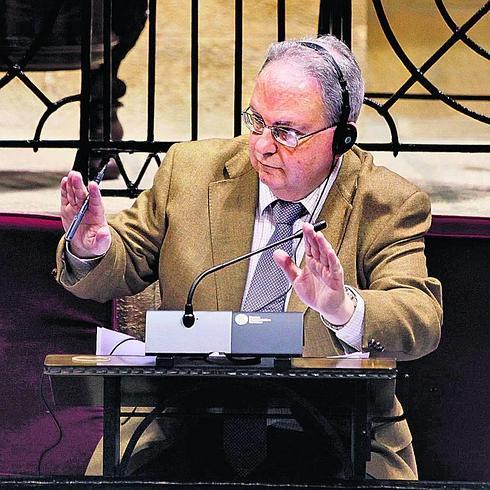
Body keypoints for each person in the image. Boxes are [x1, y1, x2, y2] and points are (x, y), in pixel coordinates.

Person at [55, 35, 442, 481]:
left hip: (335, 431)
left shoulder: (386, 202)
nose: (262, 145)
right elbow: (122, 258)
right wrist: (92, 247)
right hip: (185, 421)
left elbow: (420, 316)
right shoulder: (190, 171)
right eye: (256, 120)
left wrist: (343, 308)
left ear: (342, 137)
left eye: (286, 132)